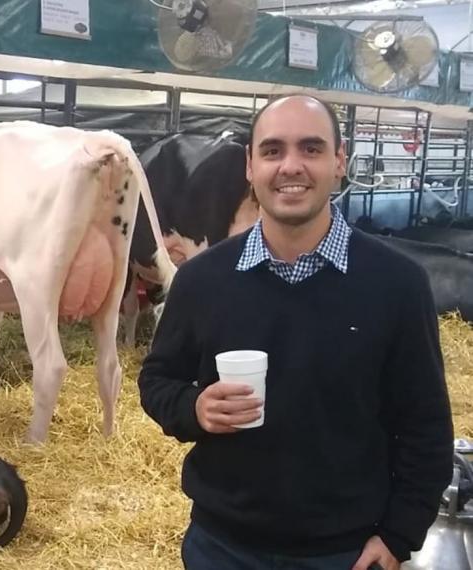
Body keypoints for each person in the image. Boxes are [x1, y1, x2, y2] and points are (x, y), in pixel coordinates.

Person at [137, 94, 453, 570]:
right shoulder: (202, 280)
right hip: (222, 547)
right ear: (250, 166)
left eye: (311, 148)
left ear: (339, 162)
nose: (290, 166)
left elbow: (425, 425)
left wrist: (398, 535)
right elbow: (157, 380)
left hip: (345, 552)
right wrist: (194, 408)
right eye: (272, 150)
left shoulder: (397, 284)